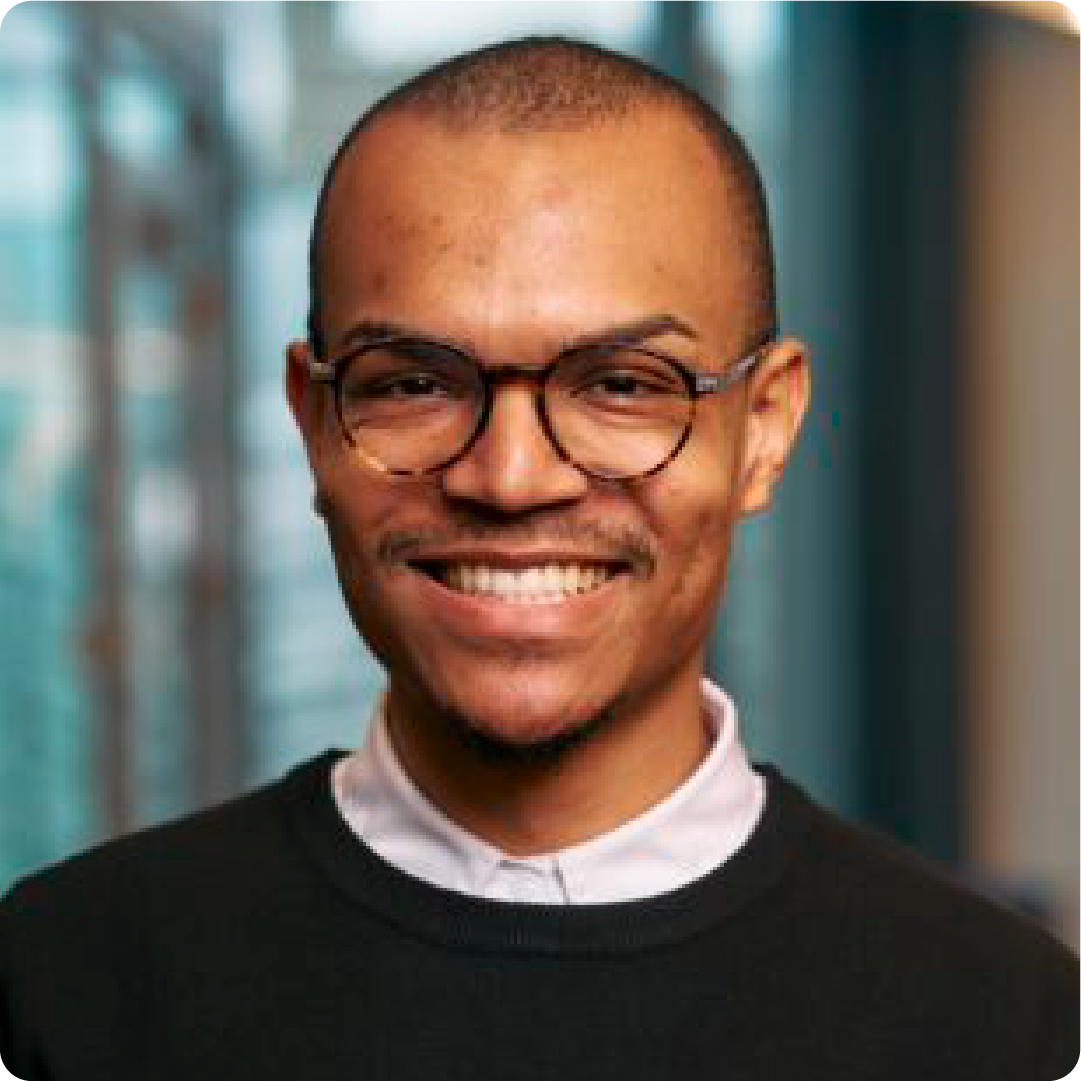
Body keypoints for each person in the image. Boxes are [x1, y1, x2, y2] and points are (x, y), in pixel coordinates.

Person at [2, 35, 1079, 1081]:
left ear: (764, 430)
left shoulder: (1010, 1024)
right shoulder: (58, 984)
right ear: (315, 422)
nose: (511, 479)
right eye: (414, 381)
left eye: (620, 382)